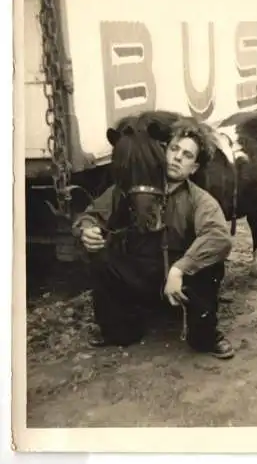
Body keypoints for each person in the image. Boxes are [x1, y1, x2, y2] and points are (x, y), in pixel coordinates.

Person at [73, 117, 235, 359]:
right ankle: (120, 329)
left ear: (194, 168)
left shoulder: (199, 199)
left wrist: (180, 269)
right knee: (101, 256)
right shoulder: (132, 188)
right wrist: (87, 230)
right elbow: (93, 214)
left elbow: (219, 237)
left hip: (180, 283)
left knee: (209, 265)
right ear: (164, 152)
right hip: (142, 276)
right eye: (174, 149)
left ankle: (206, 336)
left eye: (188, 155)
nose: (178, 157)